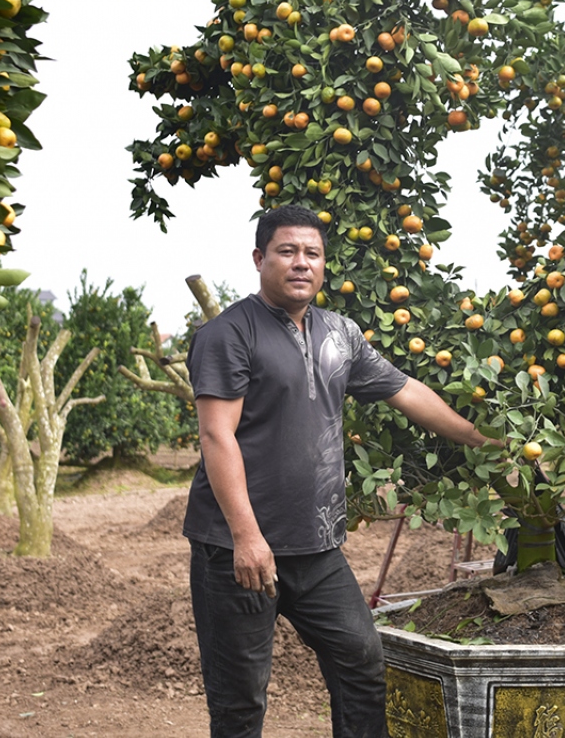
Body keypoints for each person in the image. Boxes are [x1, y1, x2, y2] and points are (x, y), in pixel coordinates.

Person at [183, 204, 496, 738]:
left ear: (324, 265)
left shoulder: (340, 334)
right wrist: (246, 536)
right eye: (287, 251)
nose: (300, 263)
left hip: (316, 548)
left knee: (362, 663)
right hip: (238, 549)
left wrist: (478, 438)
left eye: (312, 253)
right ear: (260, 259)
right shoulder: (229, 334)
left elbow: (407, 391)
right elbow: (217, 435)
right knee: (239, 702)